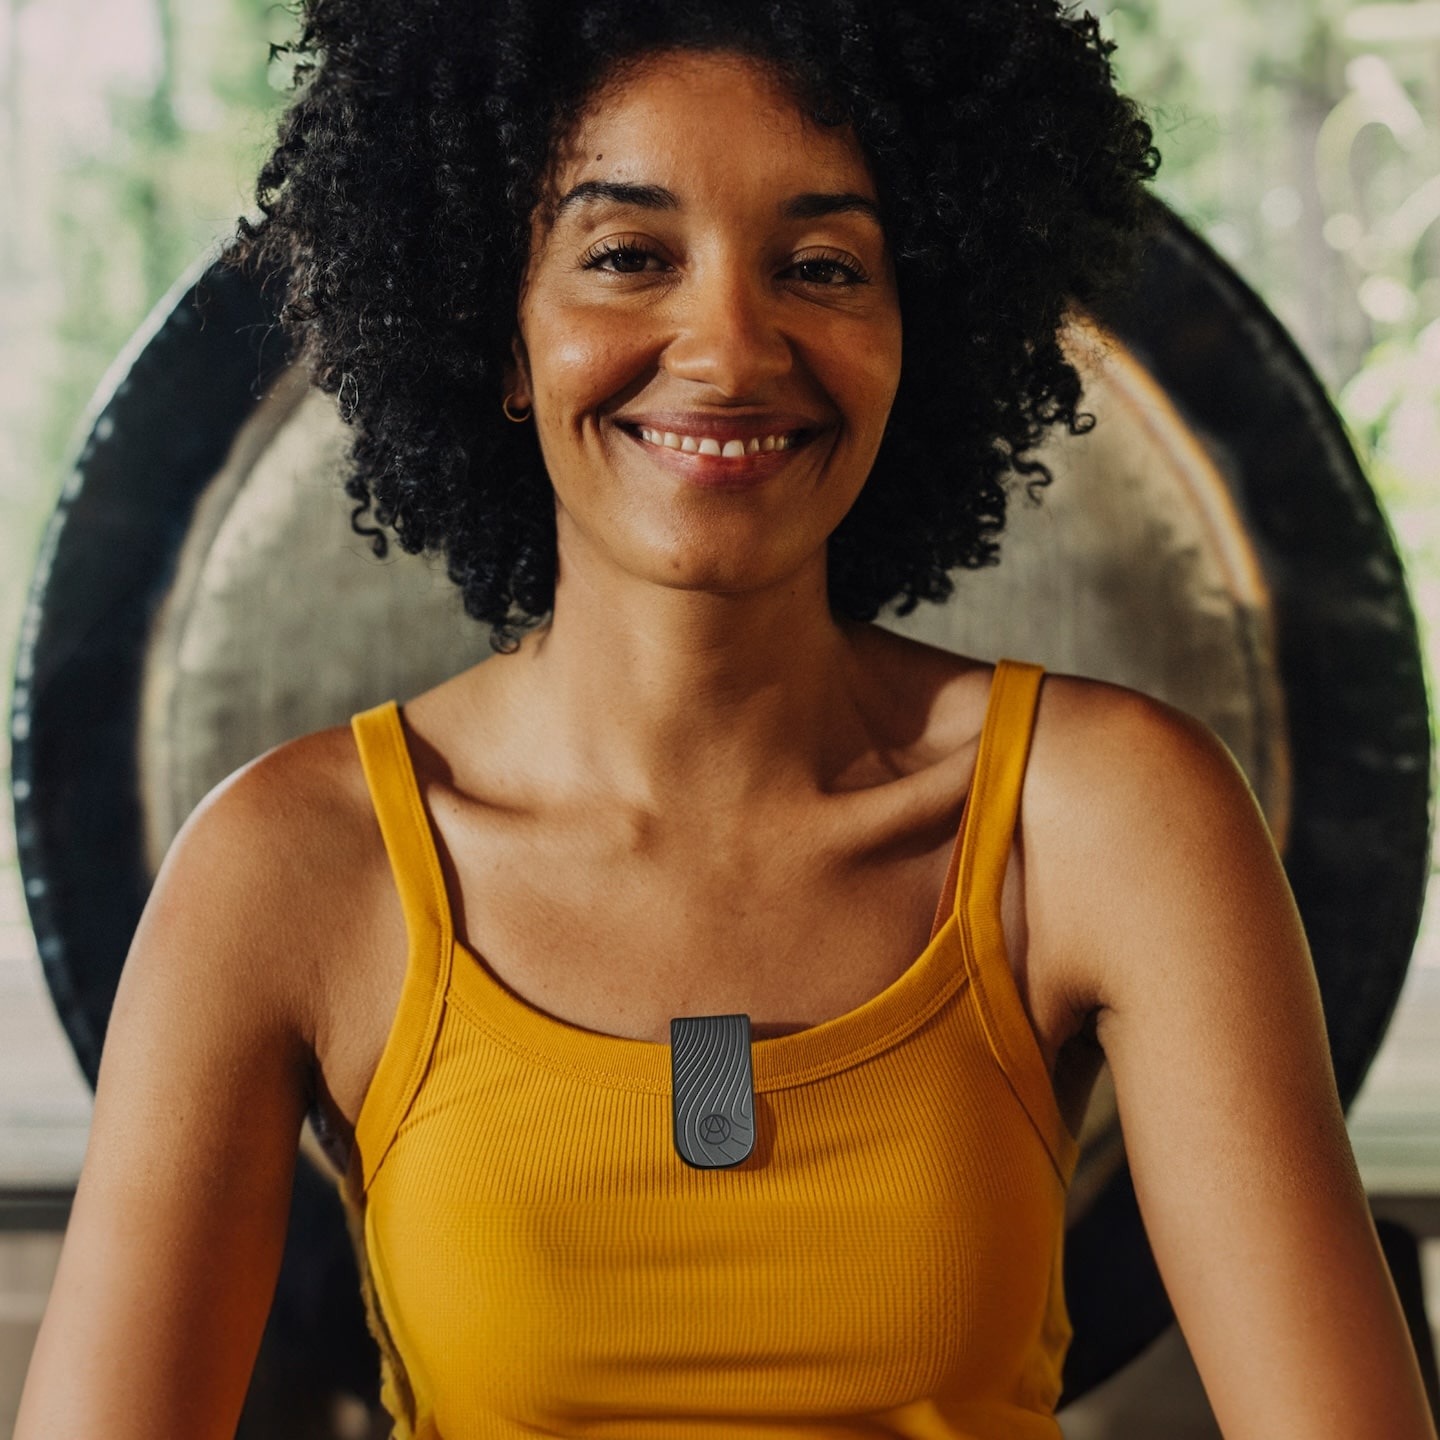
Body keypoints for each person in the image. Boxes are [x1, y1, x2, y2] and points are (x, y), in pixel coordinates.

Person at [16, 1, 1439, 1437]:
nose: (731, 345)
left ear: (920, 333)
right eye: (629, 256)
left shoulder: (1112, 819)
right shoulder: (285, 869)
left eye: (822, 266)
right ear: (495, 332)